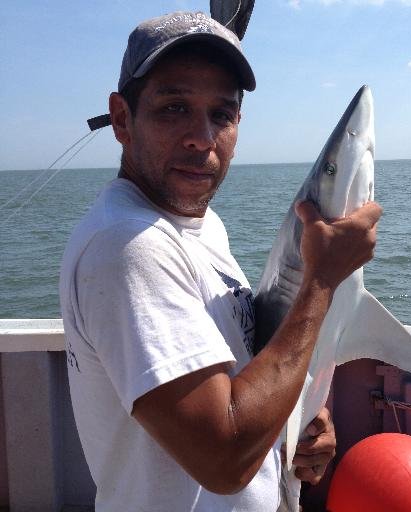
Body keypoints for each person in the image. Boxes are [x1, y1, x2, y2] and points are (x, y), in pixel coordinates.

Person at [60, 11, 382, 512]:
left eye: (222, 114)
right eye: (174, 107)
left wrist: (293, 417)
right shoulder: (128, 246)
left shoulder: (200, 226)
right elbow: (225, 458)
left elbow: (239, 375)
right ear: (122, 119)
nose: (201, 137)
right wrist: (321, 281)